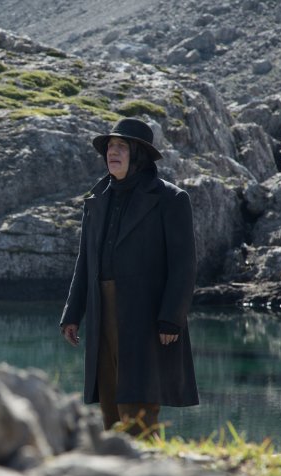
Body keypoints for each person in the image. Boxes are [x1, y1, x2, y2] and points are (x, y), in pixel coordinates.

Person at [59, 117, 198, 436]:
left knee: (140, 401)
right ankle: (116, 468)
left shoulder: (170, 199)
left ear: (139, 155)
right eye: (110, 146)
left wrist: (171, 318)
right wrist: (72, 314)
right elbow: (85, 262)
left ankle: (146, 471)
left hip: (147, 315)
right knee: (109, 398)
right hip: (102, 311)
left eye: (122, 146)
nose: (113, 152)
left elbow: (184, 264)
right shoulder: (96, 200)